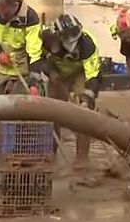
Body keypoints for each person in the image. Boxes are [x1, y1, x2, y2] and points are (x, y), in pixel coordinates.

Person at [40, 14, 101, 167]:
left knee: (84, 114)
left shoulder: (88, 45)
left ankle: (82, 159)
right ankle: (50, 155)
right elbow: (37, 58)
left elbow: (93, 75)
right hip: (57, 74)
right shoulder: (46, 40)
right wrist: (50, 72)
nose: (72, 40)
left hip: (80, 74)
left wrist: (88, 97)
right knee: (53, 113)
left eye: (75, 34)